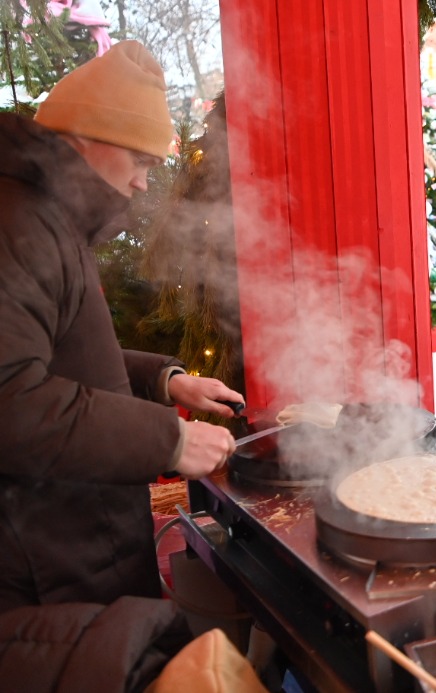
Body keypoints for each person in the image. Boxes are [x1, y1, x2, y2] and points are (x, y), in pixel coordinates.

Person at [0, 42, 241, 615]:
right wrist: (169, 439)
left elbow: (63, 356)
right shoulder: (19, 224)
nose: (141, 184)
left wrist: (165, 380)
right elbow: (11, 400)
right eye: (141, 162)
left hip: (74, 537)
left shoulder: (47, 214)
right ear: (88, 137)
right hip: (46, 564)